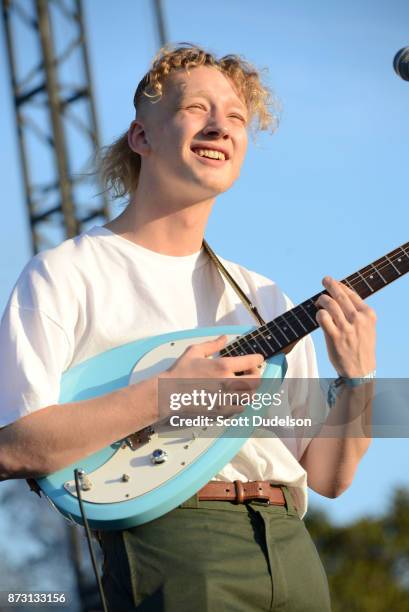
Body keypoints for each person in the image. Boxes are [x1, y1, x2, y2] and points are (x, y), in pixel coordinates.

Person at [0, 44, 376, 611]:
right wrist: (169, 395)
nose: (220, 125)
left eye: (236, 117)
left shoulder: (266, 297)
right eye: (196, 108)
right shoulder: (67, 273)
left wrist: (359, 380)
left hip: (292, 547)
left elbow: (327, 475)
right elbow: (13, 449)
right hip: (173, 547)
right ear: (141, 137)